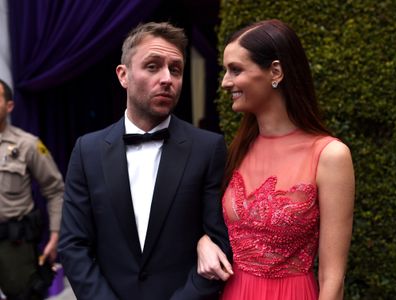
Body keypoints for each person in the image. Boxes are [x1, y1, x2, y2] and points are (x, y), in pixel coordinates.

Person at [58, 22, 232, 300]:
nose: (167, 78)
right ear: (123, 75)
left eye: (175, 69)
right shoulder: (87, 150)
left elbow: (221, 242)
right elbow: (72, 245)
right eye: (152, 66)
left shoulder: (208, 149)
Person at [197, 19, 355, 299]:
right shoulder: (236, 149)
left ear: (275, 71)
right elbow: (207, 223)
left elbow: (333, 278)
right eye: (225, 70)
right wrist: (203, 241)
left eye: (235, 70)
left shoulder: (330, 155)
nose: (225, 82)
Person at [0, 79, 64, 299]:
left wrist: (55, 236)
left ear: (9, 106)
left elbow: (55, 190)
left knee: (23, 294)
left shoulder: (27, 144)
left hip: (14, 245)